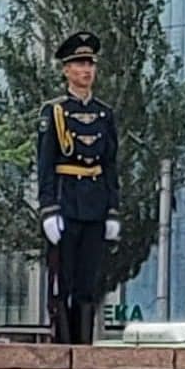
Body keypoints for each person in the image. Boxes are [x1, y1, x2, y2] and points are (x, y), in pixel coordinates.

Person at [36, 32, 119, 345]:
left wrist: (113, 209)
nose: (86, 70)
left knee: (88, 282)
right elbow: (45, 165)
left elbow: (110, 164)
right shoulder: (55, 112)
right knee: (64, 283)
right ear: (66, 70)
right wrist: (48, 209)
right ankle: (63, 348)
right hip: (66, 202)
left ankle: (83, 349)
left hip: (95, 204)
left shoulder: (104, 113)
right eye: (80, 64)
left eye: (90, 64)